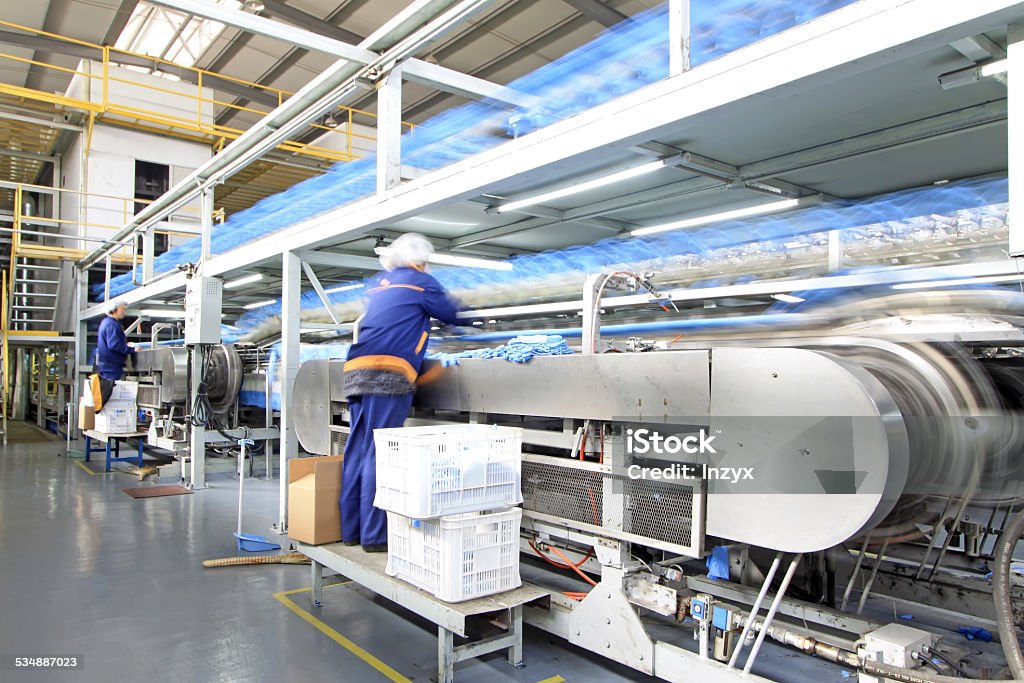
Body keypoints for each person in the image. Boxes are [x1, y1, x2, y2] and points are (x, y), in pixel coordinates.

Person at [340, 233, 463, 552]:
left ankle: (351, 531)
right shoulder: (421, 281)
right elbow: (452, 314)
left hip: (356, 368)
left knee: (358, 448)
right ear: (422, 260)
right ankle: (375, 537)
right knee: (379, 451)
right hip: (389, 371)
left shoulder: (382, 282)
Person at [96, 299, 135, 381]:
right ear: (114, 310)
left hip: (108, 367)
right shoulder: (112, 324)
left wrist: (125, 344)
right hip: (111, 368)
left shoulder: (106, 322)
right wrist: (132, 349)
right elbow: (114, 345)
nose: (124, 312)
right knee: (112, 390)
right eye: (122, 309)